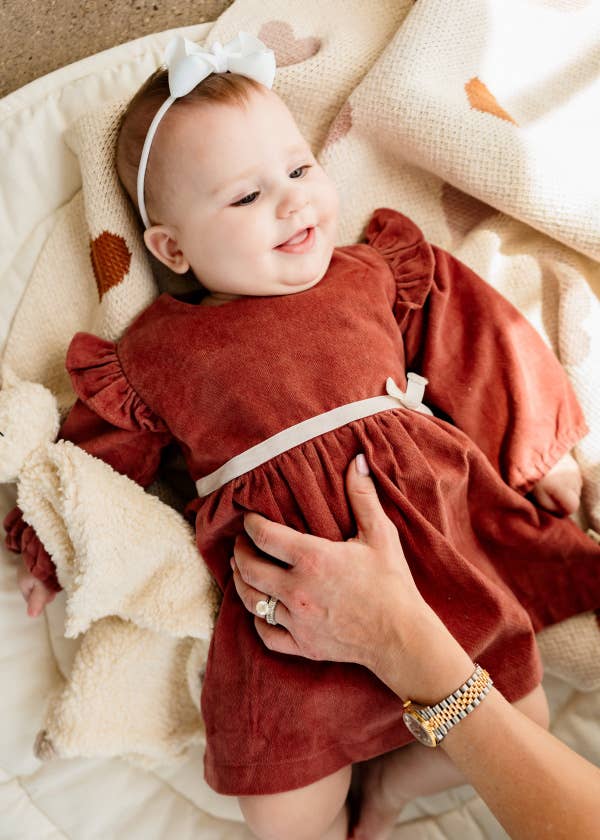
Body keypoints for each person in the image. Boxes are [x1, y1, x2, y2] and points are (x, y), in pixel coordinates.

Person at [4, 32, 600, 840]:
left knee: (517, 719)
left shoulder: (372, 271)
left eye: (298, 170)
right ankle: (341, 811)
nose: (291, 203)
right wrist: (49, 550)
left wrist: (539, 448)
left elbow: (475, 337)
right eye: (245, 199)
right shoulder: (156, 349)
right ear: (171, 248)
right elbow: (96, 456)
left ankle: (388, 790)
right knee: (282, 814)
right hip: (286, 614)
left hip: (437, 556)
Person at [230, 452, 600, 839]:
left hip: (415, 579)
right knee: (284, 821)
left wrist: (391, 634)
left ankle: (387, 788)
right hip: (309, 623)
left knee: (528, 715)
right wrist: (541, 450)